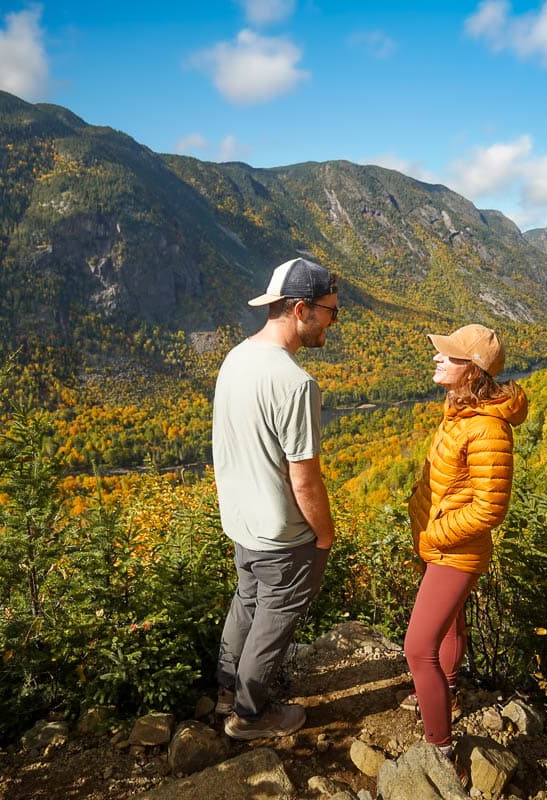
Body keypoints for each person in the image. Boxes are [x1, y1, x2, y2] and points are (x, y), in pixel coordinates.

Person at [211, 256, 339, 740]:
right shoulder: (295, 383)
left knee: (247, 601)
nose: (332, 321)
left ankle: (227, 688)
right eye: (330, 310)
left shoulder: (236, 357)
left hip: (241, 522)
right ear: (301, 309)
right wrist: (324, 535)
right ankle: (249, 715)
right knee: (274, 620)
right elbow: (304, 480)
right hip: (282, 534)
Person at [403, 323, 529, 758]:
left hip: (454, 550)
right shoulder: (461, 410)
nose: (437, 358)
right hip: (438, 542)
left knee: (418, 650)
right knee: (451, 625)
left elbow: (490, 509)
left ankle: (440, 748)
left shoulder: (489, 430)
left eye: (449, 355)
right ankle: (448, 693)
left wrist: (434, 532)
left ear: (472, 370)